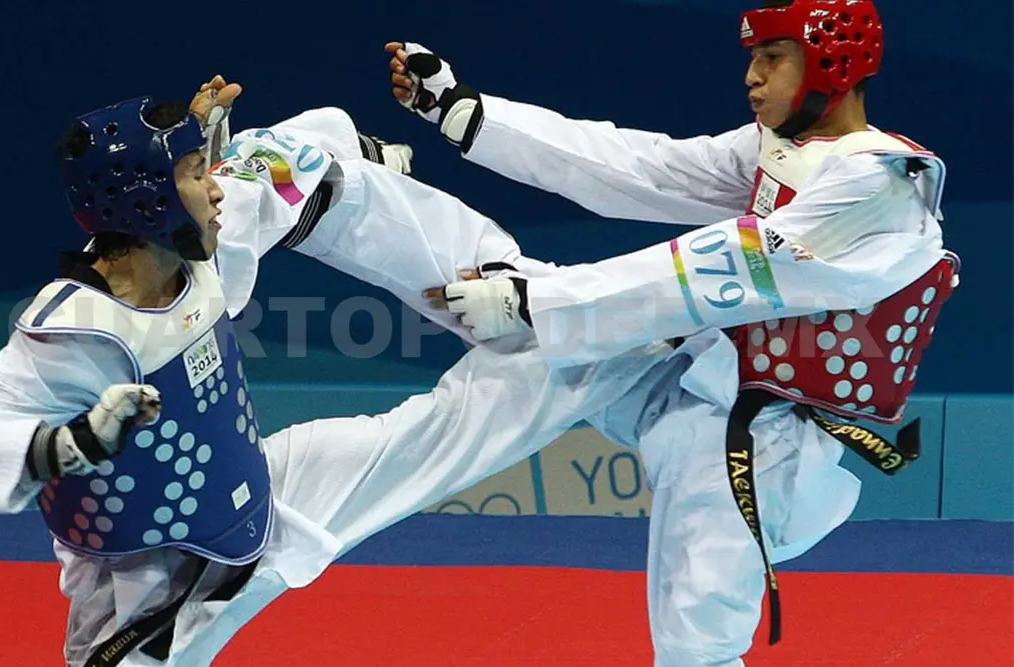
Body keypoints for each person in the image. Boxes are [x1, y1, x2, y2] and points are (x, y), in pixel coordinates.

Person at [0, 77, 677, 666]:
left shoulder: (202, 241)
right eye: (189, 173)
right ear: (143, 203)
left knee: (465, 420)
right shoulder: (76, 333)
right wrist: (60, 446)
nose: (213, 184)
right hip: (157, 576)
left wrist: (357, 151)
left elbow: (280, 161)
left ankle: (648, 332)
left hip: (266, 492)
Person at [387, 0, 960, 664]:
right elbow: (642, 167)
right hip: (693, 381)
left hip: (766, 441)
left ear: (834, 64)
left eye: (772, 59)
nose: (751, 75)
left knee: (697, 649)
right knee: (503, 305)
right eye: (751, 57)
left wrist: (536, 300)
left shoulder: (880, 184)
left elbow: (719, 268)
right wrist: (470, 114)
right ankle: (340, 207)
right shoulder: (779, 150)